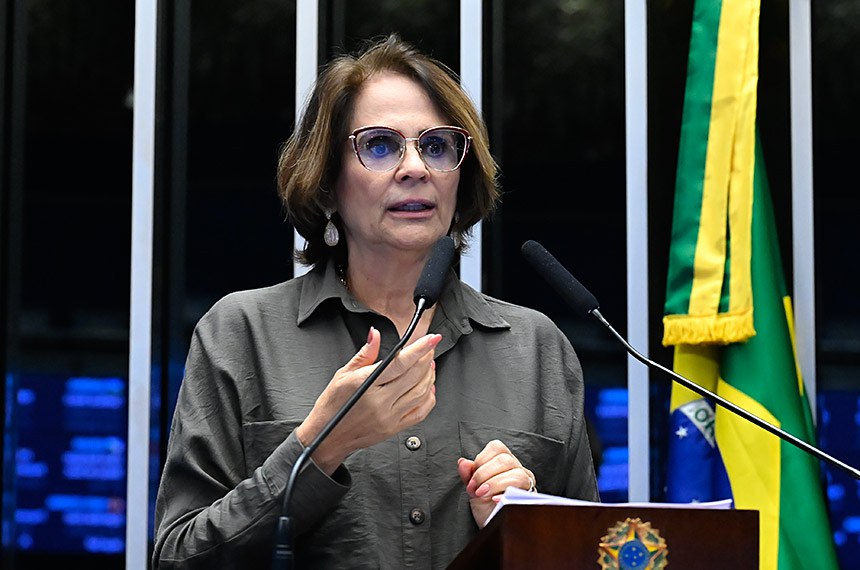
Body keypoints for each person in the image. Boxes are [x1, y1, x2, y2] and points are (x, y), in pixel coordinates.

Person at [151, 33, 599, 570]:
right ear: (326, 184)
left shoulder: (536, 349)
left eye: (436, 146)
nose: (415, 167)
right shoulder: (242, 333)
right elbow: (178, 558)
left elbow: (588, 555)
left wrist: (526, 527)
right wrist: (318, 449)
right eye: (381, 145)